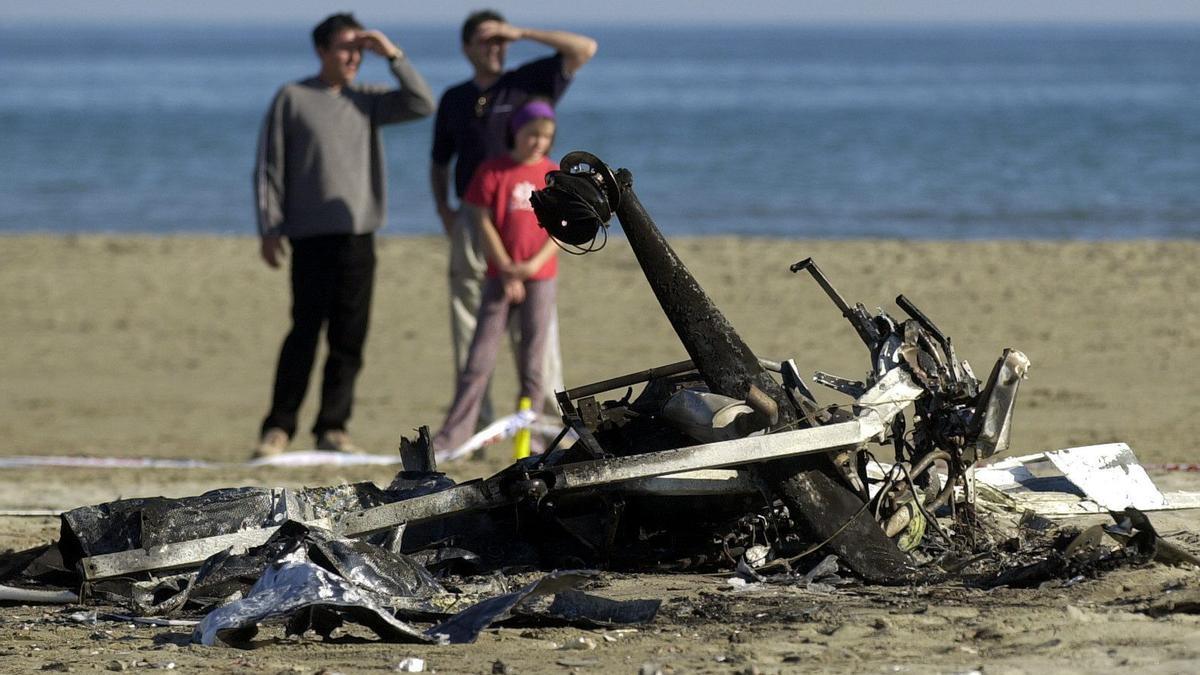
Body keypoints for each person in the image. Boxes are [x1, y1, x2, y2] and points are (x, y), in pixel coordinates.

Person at [253, 13, 435, 458]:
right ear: (321, 51)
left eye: (359, 50)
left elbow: (422, 103)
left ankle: (332, 427)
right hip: (309, 236)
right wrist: (269, 227)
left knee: (349, 336)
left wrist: (391, 54)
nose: (353, 57)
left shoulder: (368, 99)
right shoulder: (293, 97)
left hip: (359, 235)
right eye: (344, 48)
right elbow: (270, 166)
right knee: (304, 332)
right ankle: (278, 428)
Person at [430, 10, 597, 426]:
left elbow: (584, 48)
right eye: (486, 41)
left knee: (539, 329)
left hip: (529, 216)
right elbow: (438, 161)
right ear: (466, 47)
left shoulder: (528, 82)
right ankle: (478, 420)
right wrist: (445, 210)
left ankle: (543, 418)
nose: (496, 48)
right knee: (472, 322)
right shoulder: (454, 98)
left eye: (500, 40)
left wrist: (520, 32)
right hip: (476, 217)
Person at [432, 101, 561, 456]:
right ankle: (453, 437)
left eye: (545, 137)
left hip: (540, 277)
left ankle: (532, 441)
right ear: (515, 132)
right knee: (479, 361)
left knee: (534, 365)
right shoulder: (492, 171)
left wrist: (530, 266)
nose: (537, 142)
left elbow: (560, 233)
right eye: (531, 134)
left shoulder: (553, 175)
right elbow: (481, 221)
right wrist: (506, 268)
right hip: (498, 277)